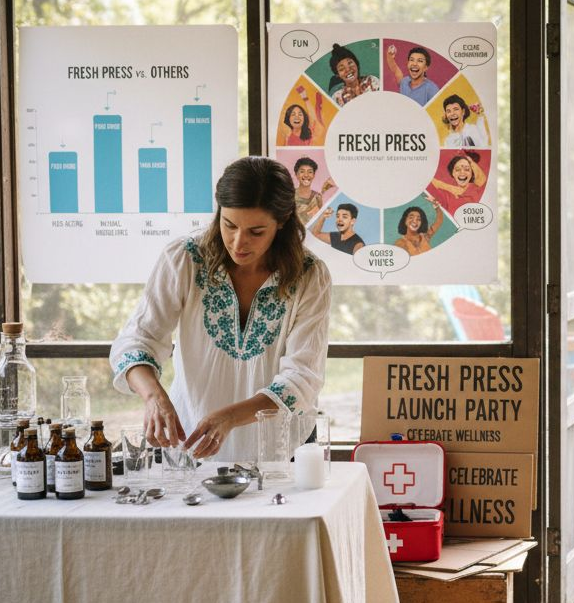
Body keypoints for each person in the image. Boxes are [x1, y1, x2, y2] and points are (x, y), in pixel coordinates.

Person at [109, 156, 331, 462]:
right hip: (191, 444)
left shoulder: (309, 275)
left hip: (280, 452)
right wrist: (153, 397)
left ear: (282, 221)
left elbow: (302, 378)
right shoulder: (184, 260)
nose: (238, 242)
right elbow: (136, 342)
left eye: (256, 232)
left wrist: (230, 417)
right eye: (229, 225)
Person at [327, 43, 379, 107]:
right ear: (338, 75)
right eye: (342, 69)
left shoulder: (371, 81)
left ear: (357, 64)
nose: (348, 69)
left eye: (350, 63)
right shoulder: (337, 97)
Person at [292, 157, 334, 226]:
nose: (306, 175)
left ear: (314, 175)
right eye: (302, 171)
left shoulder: (318, 197)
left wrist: (324, 210)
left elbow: (321, 222)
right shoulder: (290, 195)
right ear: (296, 175)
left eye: (310, 172)